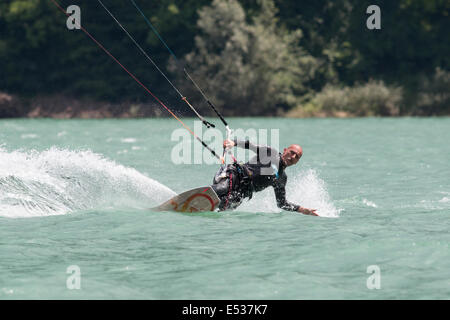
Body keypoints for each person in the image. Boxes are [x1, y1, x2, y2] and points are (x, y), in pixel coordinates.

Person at [211, 138, 318, 215]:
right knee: (221, 189)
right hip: (234, 176)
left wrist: (301, 209)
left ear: (296, 162)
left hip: (241, 193)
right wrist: (233, 142)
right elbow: (251, 146)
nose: (292, 157)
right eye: (292, 152)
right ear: (285, 150)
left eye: (297, 157)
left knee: (222, 210)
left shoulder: (281, 178)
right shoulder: (271, 153)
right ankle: (205, 192)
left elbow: (282, 203)